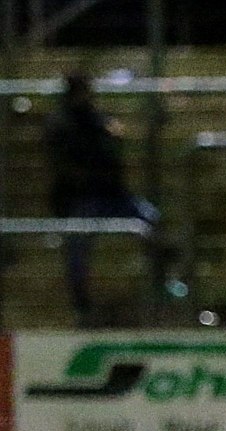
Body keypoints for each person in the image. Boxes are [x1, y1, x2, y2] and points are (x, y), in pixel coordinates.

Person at [44, 72, 165, 327]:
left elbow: (113, 145)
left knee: (151, 219)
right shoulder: (61, 123)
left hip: (113, 195)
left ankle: (161, 283)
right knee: (77, 250)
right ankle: (81, 305)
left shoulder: (97, 118)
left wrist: (112, 136)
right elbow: (66, 162)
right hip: (83, 198)